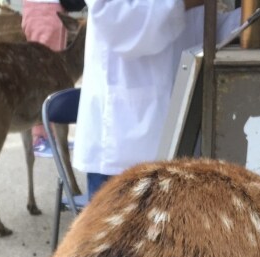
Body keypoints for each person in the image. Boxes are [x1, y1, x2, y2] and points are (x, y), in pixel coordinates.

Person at [75, 0, 240, 198]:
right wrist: (185, 3)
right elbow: (115, 19)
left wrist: (250, 18)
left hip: (183, 135)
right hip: (124, 144)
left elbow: (202, 29)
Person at [22, 0, 70, 157]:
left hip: (50, 8)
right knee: (43, 76)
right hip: (43, 8)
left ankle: (51, 135)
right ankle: (38, 138)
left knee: (54, 76)